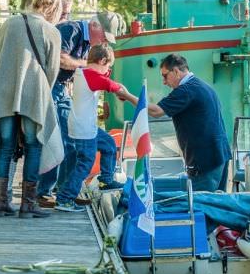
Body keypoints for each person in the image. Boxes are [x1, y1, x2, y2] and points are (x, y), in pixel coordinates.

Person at [0, 0, 64, 218]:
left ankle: (1, 203)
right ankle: (28, 205)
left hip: (4, 93)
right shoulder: (51, 32)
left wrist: (9, 77)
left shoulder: (9, 23)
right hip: (34, 96)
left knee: (6, 148)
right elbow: (52, 71)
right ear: (54, 8)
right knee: (33, 146)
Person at [36, 12, 124, 206]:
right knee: (58, 138)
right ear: (94, 26)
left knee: (71, 141)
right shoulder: (71, 30)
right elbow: (61, 60)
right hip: (49, 86)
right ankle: (45, 191)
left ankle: (66, 189)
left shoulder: (87, 42)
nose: (102, 42)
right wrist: (89, 65)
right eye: (103, 36)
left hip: (61, 88)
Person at [118, 53, 231, 192]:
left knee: (201, 204)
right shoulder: (202, 86)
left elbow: (156, 111)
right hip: (220, 155)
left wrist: (127, 96)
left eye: (165, 76)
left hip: (204, 160)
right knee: (219, 203)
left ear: (176, 71)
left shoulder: (186, 90)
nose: (164, 82)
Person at [55, 43, 125, 212]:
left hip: (85, 126)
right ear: (102, 61)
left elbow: (105, 79)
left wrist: (107, 73)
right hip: (84, 129)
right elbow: (112, 86)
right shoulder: (90, 76)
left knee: (108, 144)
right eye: (108, 66)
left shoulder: (84, 73)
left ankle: (106, 180)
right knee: (84, 164)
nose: (108, 70)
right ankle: (64, 198)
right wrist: (124, 91)